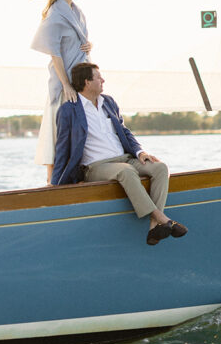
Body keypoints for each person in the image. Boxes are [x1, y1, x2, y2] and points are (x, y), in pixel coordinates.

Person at [51, 62, 188, 246]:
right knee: (126, 172)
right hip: (96, 167)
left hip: (126, 158)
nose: (103, 80)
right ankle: (162, 219)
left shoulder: (108, 102)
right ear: (87, 82)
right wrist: (56, 183)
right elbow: (62, 148)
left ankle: (154, 227)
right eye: (98, 77)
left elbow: (124, 131)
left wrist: (140, 152)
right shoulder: (68, 110)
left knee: (160, 168)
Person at [31, 0, 92, 181]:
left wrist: (87, 45)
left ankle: (77, 179)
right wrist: (65, 84)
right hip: (64, 83)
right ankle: (51, 184)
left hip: (80, 81)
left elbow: (74, 43)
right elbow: (55, 53)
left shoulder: (77, 13)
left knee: (80, 133)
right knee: (56, 134)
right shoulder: (56, 14)